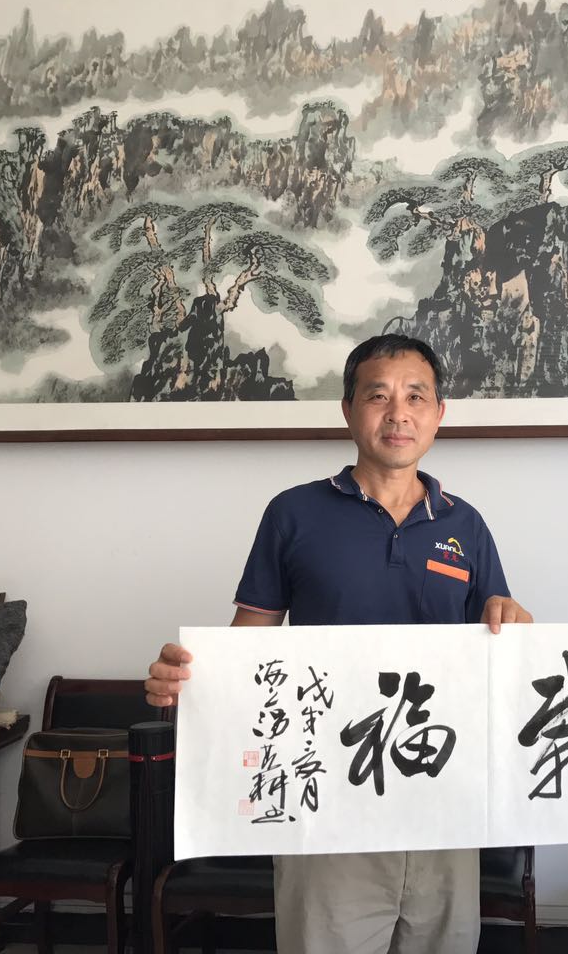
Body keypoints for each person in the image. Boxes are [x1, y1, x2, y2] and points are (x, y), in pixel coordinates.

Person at [145, 334, 533, 954]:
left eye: (416, 397)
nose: (398, 413)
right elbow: (250, 642)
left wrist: (512, 622)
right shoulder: (294, 513)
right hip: (325, 791)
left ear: (438, 414)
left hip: (441, 794)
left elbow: (497, 635)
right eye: (378, 396)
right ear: (348, 410)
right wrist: (190, 680)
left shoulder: (465, 524)